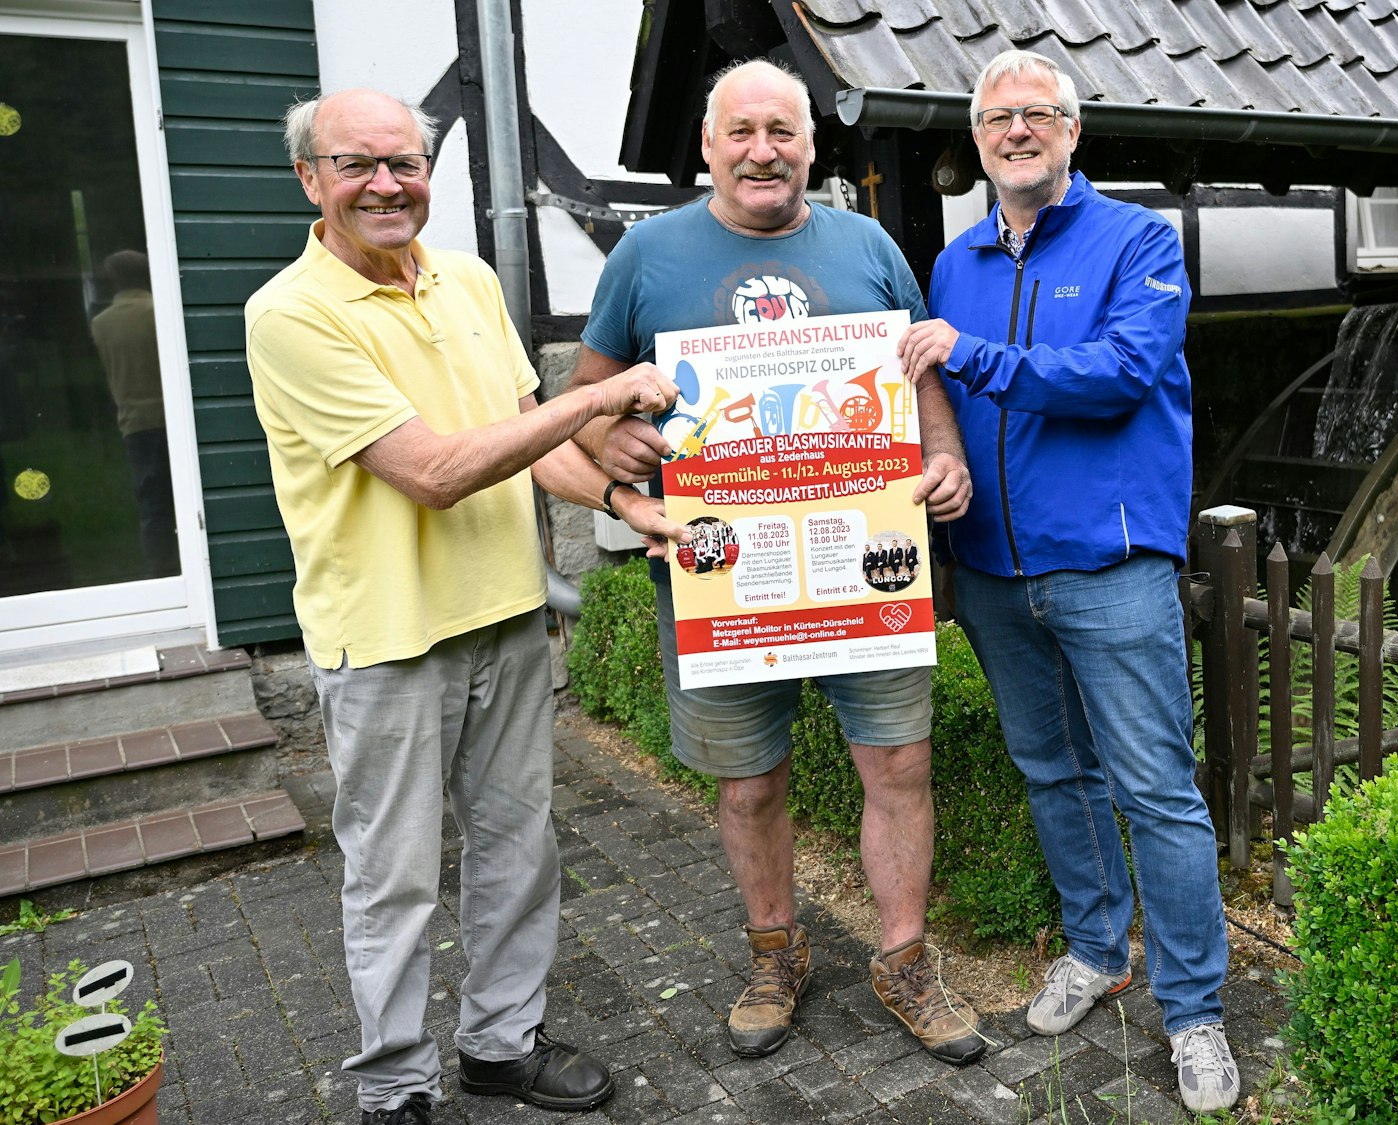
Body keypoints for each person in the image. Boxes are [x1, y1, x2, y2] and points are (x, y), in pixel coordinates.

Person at [245, 88, 687, 1125]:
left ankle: (499, 1045)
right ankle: (396, 1086)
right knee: (394, 879)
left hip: (504, 614)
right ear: (311, 179)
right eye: (357, 164)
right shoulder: (290, 314)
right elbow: (439, 472)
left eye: (405, 162)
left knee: (515, 849)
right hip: (388, 638)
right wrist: (599, 399)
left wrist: (625, 502)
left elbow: (525, 437)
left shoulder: (469, 282)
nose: (388, 184)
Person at [567, 59, 985, 1065]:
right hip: (721, 573)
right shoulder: (645, 255)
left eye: (783, 133)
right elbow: (585, 398)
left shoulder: (870, 244)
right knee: (748, 784)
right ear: (708, 146)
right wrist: (609, 445)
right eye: (742, 132)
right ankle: (773, 953)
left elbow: (915, 373)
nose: (764, 151)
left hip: (863, 568)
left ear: (810, 145)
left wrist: (945, 457)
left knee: (898, 764)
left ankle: (904, 961)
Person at [897, 49, 1241, 1113]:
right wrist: (938, 479)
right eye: (997, 118)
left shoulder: (1136, 240)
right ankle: (1096, 950)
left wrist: (978, 355)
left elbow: (1123, 373)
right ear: (978, 138)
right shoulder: (953, 265)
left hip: (1111, 566)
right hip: (995, 570)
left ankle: (1193, 1014)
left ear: (1071, 131)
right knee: (1053, 772)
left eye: (1036, 115)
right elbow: (934, 402)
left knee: (1156, 792)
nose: (1016, 132)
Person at [90, 250, 176, 577]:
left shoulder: (102, 323)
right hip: (169, 419)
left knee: (151, 499)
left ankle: (159, 567)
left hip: (134, 423)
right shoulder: (158, 312)